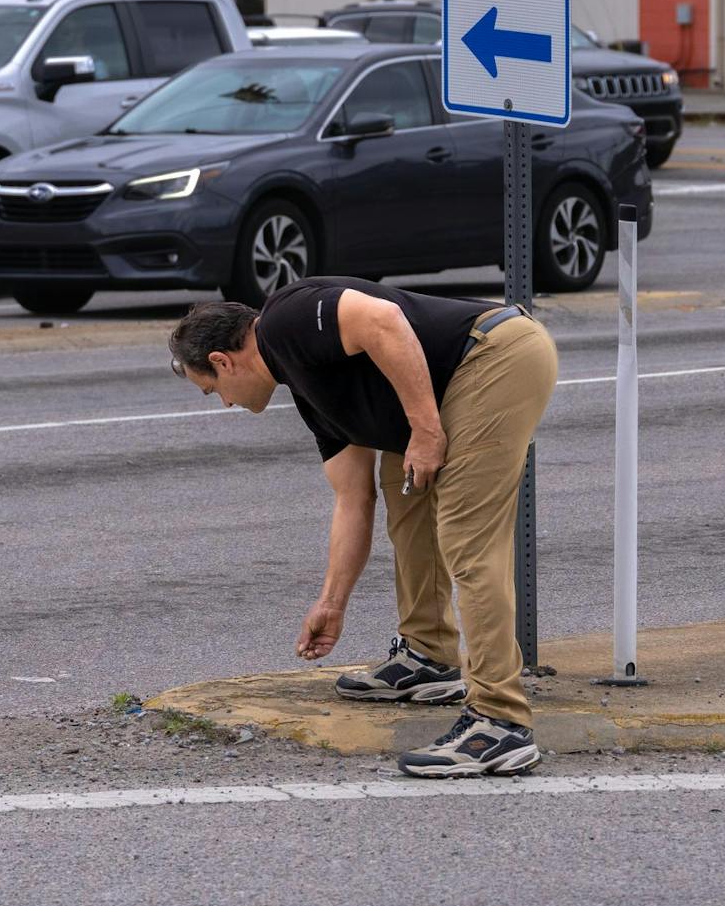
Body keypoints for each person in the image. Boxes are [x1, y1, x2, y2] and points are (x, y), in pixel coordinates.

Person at [168, 276, 558, 777]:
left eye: (213, 389)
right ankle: (429, 656)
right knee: (407, 503)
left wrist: (425, 429)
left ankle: (500, 722)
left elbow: (383, 320)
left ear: (223, 361)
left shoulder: (285, 320)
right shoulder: (312, 395)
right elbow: (352, 500)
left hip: (495, 358)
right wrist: (331, 604)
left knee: (468, 542)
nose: (224, 402)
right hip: (451, 383)